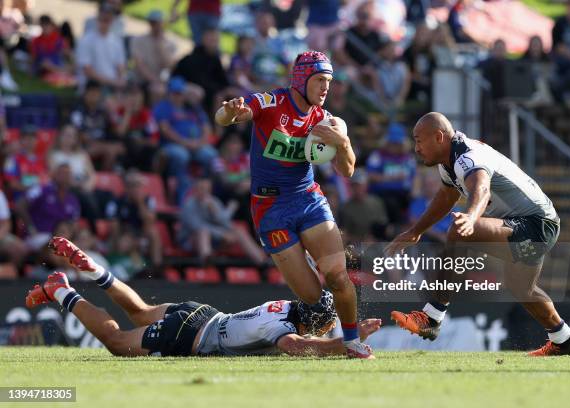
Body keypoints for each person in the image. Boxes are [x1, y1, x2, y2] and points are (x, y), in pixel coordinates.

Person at [215, 51, 373, 359]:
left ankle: (352, 343)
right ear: (301, 80)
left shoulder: (327, 120)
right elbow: (225, 116)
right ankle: (311, 312)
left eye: (329, 81)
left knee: (339, 276)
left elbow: (348, 170)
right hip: (270, 209)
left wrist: (343, 142)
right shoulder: (272, 102)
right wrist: (229, 112)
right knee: (312, 296)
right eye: (319, 80)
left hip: (308, 199)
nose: (326, 87)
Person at [386, 112, 570, 356]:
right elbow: (447, 197)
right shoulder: (449, 162)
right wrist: (417, 230)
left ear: (438, 137)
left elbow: (481, 188)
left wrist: (471, 217)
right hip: (536, 224)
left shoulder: (467, 156)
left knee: (459, 231)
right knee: (522, 289)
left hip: (536, 224)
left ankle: (432, 317)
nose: (416, 148)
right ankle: (564, 340)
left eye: (418, 140)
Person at [26, 237, 381, 357]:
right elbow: (304, 347)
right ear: (312, 324)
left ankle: (97, 272)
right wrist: (349, 344)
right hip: (193, 335)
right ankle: (63, 290)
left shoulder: (286, 306)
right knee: (117, 342)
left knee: (139, 310)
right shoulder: (284, 330)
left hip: (203, 313)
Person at [153, 76, 217, 203]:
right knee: (181, 155)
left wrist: (201, 142)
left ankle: (205, 190)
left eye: (180, 93)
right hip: (172, 145)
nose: (178, 96)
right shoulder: (163, 107)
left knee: (211, 155)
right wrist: (185, 143)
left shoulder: (192, 107)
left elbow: (206, 127)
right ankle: (179, 193)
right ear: (169, 93)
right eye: (175, 93)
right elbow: (165, 130)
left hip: (196, 145)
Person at [178, 177, 267, 264]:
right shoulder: (189, 205)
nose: (205, 192)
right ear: (195, 190)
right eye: (202, 189)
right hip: (190, 240)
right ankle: (206, 261)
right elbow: (196, 226)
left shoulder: (214, 202)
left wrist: (215, 212)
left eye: (207, 189)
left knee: (238, 231)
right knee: (203, 232)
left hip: (214, 239)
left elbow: (226, 223)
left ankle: (261, 260)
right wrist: (222, 234)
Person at [75, 2, 126, 91]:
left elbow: (120, 65)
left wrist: (120, 81)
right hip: (93, 86)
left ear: (112, 20)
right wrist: (114, 82)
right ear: (97, 18)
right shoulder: (86, 40)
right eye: (103, 19)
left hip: (113, 86)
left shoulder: (116, 41)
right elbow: (87, 70)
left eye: (108, 19)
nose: (105, 22)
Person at [130, 10, 176, 87]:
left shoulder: (170, 43)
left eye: (158, 23)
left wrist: (160, 44)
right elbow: (139, 64)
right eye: (152, 23)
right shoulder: (138, 40)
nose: (155, 26)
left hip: (162, 81)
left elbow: (169, 66)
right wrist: (154, 80)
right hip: (140, 80)